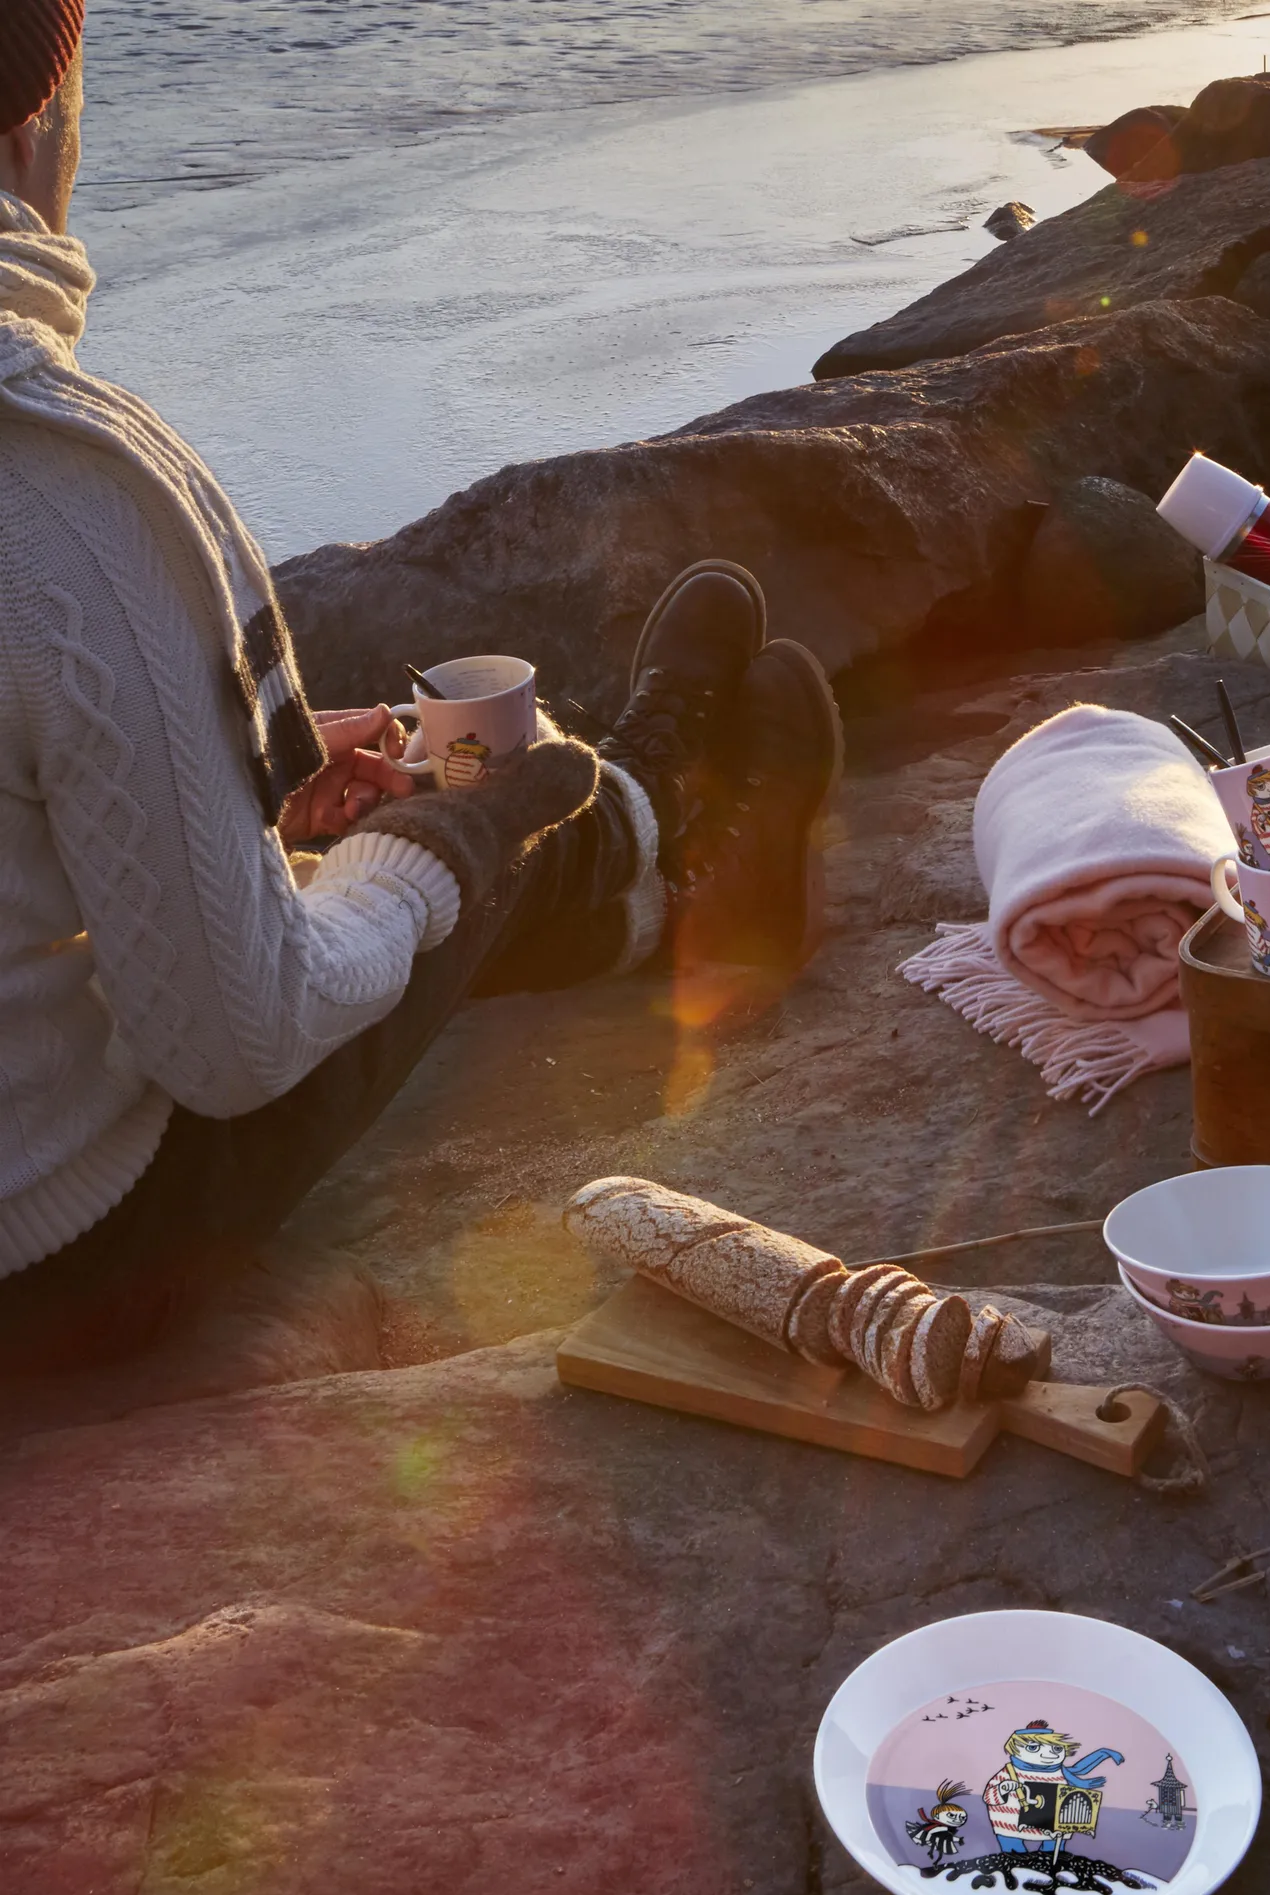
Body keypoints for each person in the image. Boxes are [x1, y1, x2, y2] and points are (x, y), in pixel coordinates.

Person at [0, 4, 842, 1374]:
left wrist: (235, 788)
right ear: (42, 118)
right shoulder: (71, 492)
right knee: (450, 821)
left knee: (310, 829)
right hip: (62, 1256)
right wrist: (441, 845)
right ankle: (640, 834)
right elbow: (236, 1042)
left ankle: (624, 865)